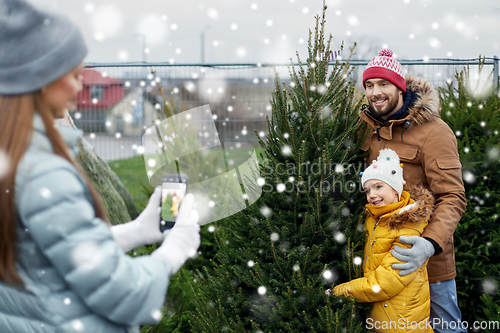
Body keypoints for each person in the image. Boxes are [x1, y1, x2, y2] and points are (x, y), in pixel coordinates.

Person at [0, 1, 200, 332]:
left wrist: (135, 231)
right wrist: (176, 249)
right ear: (41, 79)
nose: (80, 89)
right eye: (75, 75)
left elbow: (44, 256)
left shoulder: (12, 161)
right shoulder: (44, 174)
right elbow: (124, 293)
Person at [358, 49, 467, 332]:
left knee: (447, 327)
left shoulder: (433, 131)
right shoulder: (368, 130)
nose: (375, 92)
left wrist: (428, 246)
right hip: (383, 265)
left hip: (430, 265)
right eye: (369, 85)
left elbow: (453, 197)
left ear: (400, 87)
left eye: (383, 84)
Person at [329, 148, 434, 333]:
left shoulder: (407, 226)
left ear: (395, 189)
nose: (372, 194)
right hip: (383, 318)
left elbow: (383, 284)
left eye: (378, 187)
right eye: (367, 190)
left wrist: (338, 292)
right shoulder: (374, 218)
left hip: (401, 324)